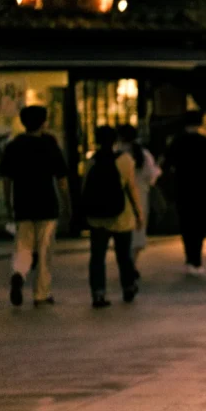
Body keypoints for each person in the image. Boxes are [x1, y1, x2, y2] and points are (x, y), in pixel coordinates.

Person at [0, 106, 71, 307]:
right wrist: (67, 204)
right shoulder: (49, 145)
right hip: (47, 204)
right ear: (43, 122)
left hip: (23, 203)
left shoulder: (14, 145)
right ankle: (41, 293)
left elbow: (7, 178)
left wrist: (8, 202)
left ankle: (19, 274)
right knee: (45, 249)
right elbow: (62, 179)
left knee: (23, 247)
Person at [84, 126, 144, 309]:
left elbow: (84, 189)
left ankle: (98, 293)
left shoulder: (91, 161)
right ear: (115, 140)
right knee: (124, 256)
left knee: (97, 257)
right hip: (121, 217)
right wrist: (139, 213)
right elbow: (131, 188)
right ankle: (128, 287)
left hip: (97, 218)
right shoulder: (125, 161)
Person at [164, 111, 206, 276]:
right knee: (200, 223)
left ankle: (189, 257)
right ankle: (197, 258)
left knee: (186, 223)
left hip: (183, 187)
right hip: (202, 187)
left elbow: (168, 164)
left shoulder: (177, 142)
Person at [118, 125, 161, 279]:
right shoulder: (143, 155)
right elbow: (152, 176)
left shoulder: (118, 155)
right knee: (138, 231)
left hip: (121, 197)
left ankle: (126, 264)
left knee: (123, 232)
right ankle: (132, 264)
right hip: (141, 195)